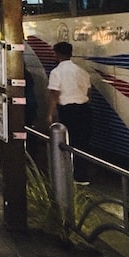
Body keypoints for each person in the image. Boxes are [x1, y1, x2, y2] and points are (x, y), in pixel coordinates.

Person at [46, 41, 93, 183]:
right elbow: (89, 93)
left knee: (67, 142)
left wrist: (50, 114)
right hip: (84, 109)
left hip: (68, 111)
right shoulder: (82, 71)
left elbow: (54, 95)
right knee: (83, 143)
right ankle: (82, 176)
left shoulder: (56, 72)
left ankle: (67, 175)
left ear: (57, 54)